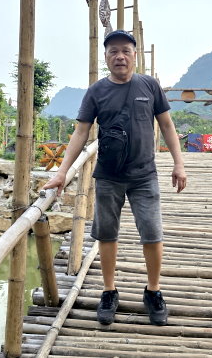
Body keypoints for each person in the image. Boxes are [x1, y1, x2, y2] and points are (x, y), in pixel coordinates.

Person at [42, 29, 186, 327]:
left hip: (144, 174)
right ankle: (109, 292)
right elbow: (81, 132)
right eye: (113, 52)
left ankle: (153, 291)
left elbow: (167, 125)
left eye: (125, 51)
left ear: (135, 55)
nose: (120, 56)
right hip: (108, 175)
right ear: (106, 57)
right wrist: (62, 172)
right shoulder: (96, 91)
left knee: (152, 233)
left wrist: (179, 164)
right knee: (107, 234)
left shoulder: (149, 86)